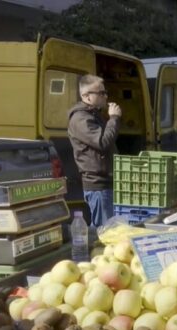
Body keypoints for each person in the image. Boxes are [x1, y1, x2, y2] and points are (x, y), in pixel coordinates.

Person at [68, 74, 121, 228]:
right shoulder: (80, 119)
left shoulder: (93, 114)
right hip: (97, 186)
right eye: (101, 93)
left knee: (109, 229)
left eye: (105, 92)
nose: (105, 96)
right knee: (104, 232)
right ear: (86, 96)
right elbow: (102, 142)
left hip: (106, 183)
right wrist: (114, 119)